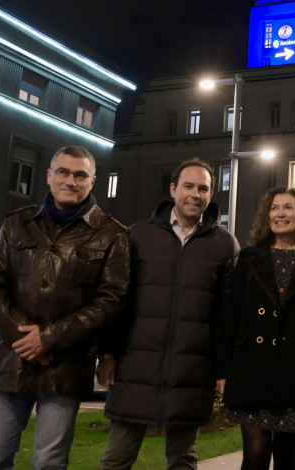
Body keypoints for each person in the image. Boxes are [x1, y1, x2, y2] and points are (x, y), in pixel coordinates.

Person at [0, 145, 131, 470]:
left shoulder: (113, 235)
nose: (70, 181)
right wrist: (24, 338)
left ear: (93, 181)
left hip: (67, 367)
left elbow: (111, 300)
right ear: (49, 176)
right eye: (63, 172)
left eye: (80, 175)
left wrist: (48, 338)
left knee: (49, 462)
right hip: (11, 360)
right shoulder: (16, 224)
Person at [99, 158, 239, 470]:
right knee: (117, 460)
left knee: (183, 461)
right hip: (135, 368)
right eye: (188, 186)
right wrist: (108, 353)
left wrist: (223, 369)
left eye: (203, 188)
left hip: (192, 372)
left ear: (211, 194)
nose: (195, 194)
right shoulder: (138, 236)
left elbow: (229, 315)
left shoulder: (224, 244)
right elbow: (117, 299)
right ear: (173, 189)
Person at [217, 187, 295, 470]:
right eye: (274, 208)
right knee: (255, 455)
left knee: (286, 456)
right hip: (252, 369)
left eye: (288, 207)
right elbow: (231, 316)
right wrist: (222, 370)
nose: (280, 213)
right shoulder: (249, 258)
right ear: (266, 216)